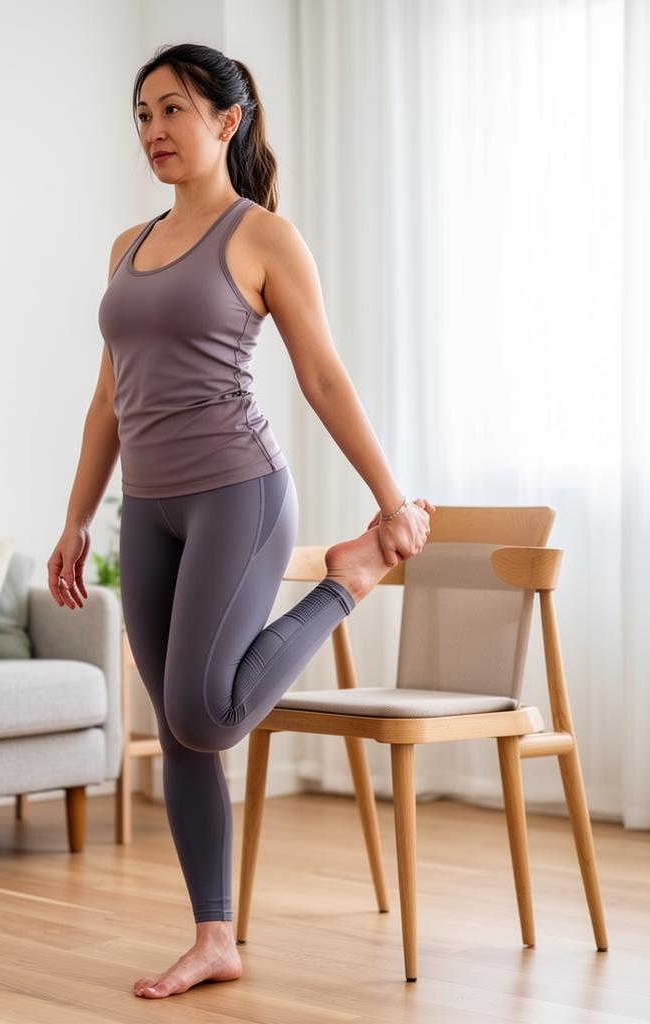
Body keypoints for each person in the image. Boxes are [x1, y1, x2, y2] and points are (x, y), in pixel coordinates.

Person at [46, 43, 435, 1000]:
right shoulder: (125, 248)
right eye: (141, 115)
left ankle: (347, 578)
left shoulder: (263, 236)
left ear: (227, 121)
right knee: (180, 734)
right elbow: (108, 402)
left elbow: (323, 375)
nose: (152, 131)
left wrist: (390, 499)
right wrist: (75, 519)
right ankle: (214, 936)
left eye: (172, 110)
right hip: (150, 509)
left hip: (238, 494)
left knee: (204, 714)